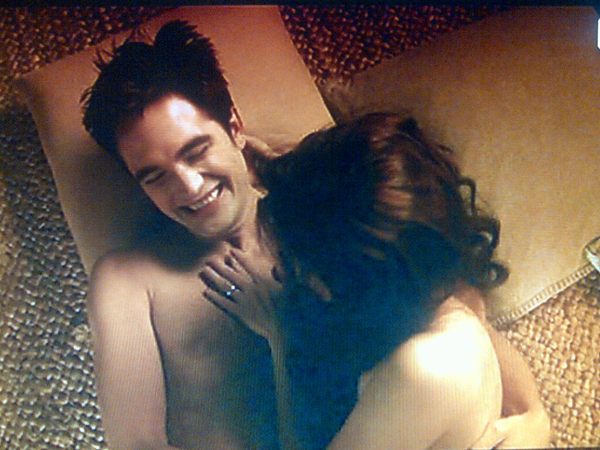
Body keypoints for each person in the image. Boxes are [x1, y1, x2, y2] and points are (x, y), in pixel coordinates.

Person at [81, 20, 548, 450]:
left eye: (196, 151)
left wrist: (532, 414)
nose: (188, 186)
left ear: (235, 126)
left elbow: (446, 296)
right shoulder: (126, 281)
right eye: (154, 176)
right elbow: (135, 445)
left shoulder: (321, 209)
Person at [200, 113, 551, 449]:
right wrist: (535, 414)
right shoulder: (431, 277)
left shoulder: (423, 368)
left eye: (293, 259)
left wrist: (277, 335)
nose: (285, 271)